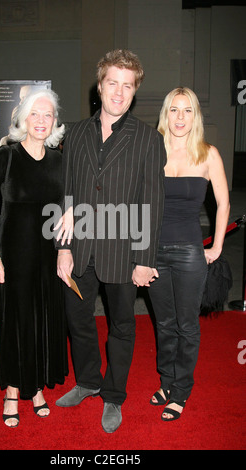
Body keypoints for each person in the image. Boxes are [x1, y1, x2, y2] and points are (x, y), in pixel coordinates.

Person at [55, 49, 166, 433]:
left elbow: (152, 203)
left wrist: (144, 258)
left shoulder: (148, 139)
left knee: (122, 325)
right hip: (80, 246)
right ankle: (87, 380)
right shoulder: (78, 132)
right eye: (112, 84)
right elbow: (67, 192)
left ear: (134, 92)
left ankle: (113, 396)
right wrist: (63, 248)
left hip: (123, 252)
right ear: (99, 86)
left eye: (127, 86)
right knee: (78, 319)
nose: (118, 93)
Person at [0, 89, 68, 427]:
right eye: (35, 114)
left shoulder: (61, 161)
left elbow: (66, 212)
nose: (42, 121)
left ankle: (37, 388)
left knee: (43, 318)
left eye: (48, 115)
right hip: (14, 255)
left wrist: (64, 250)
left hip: (48, 256)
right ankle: (14, 389)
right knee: (18, 321)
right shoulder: (7, 156)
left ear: (55, 122)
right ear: (24, 119)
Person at [148, 87, 230, 421]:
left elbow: (223, 203)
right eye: (174, 110)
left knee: (186, 325)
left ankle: (181, 390)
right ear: (165, 114)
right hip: (153, 252)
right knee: (163, 324)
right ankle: (168, 382)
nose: (180, 118)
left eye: (188, 111)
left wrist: (217, 246)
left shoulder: (208, 154)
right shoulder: (152, 151)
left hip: (189, 254)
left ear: (195, 116)